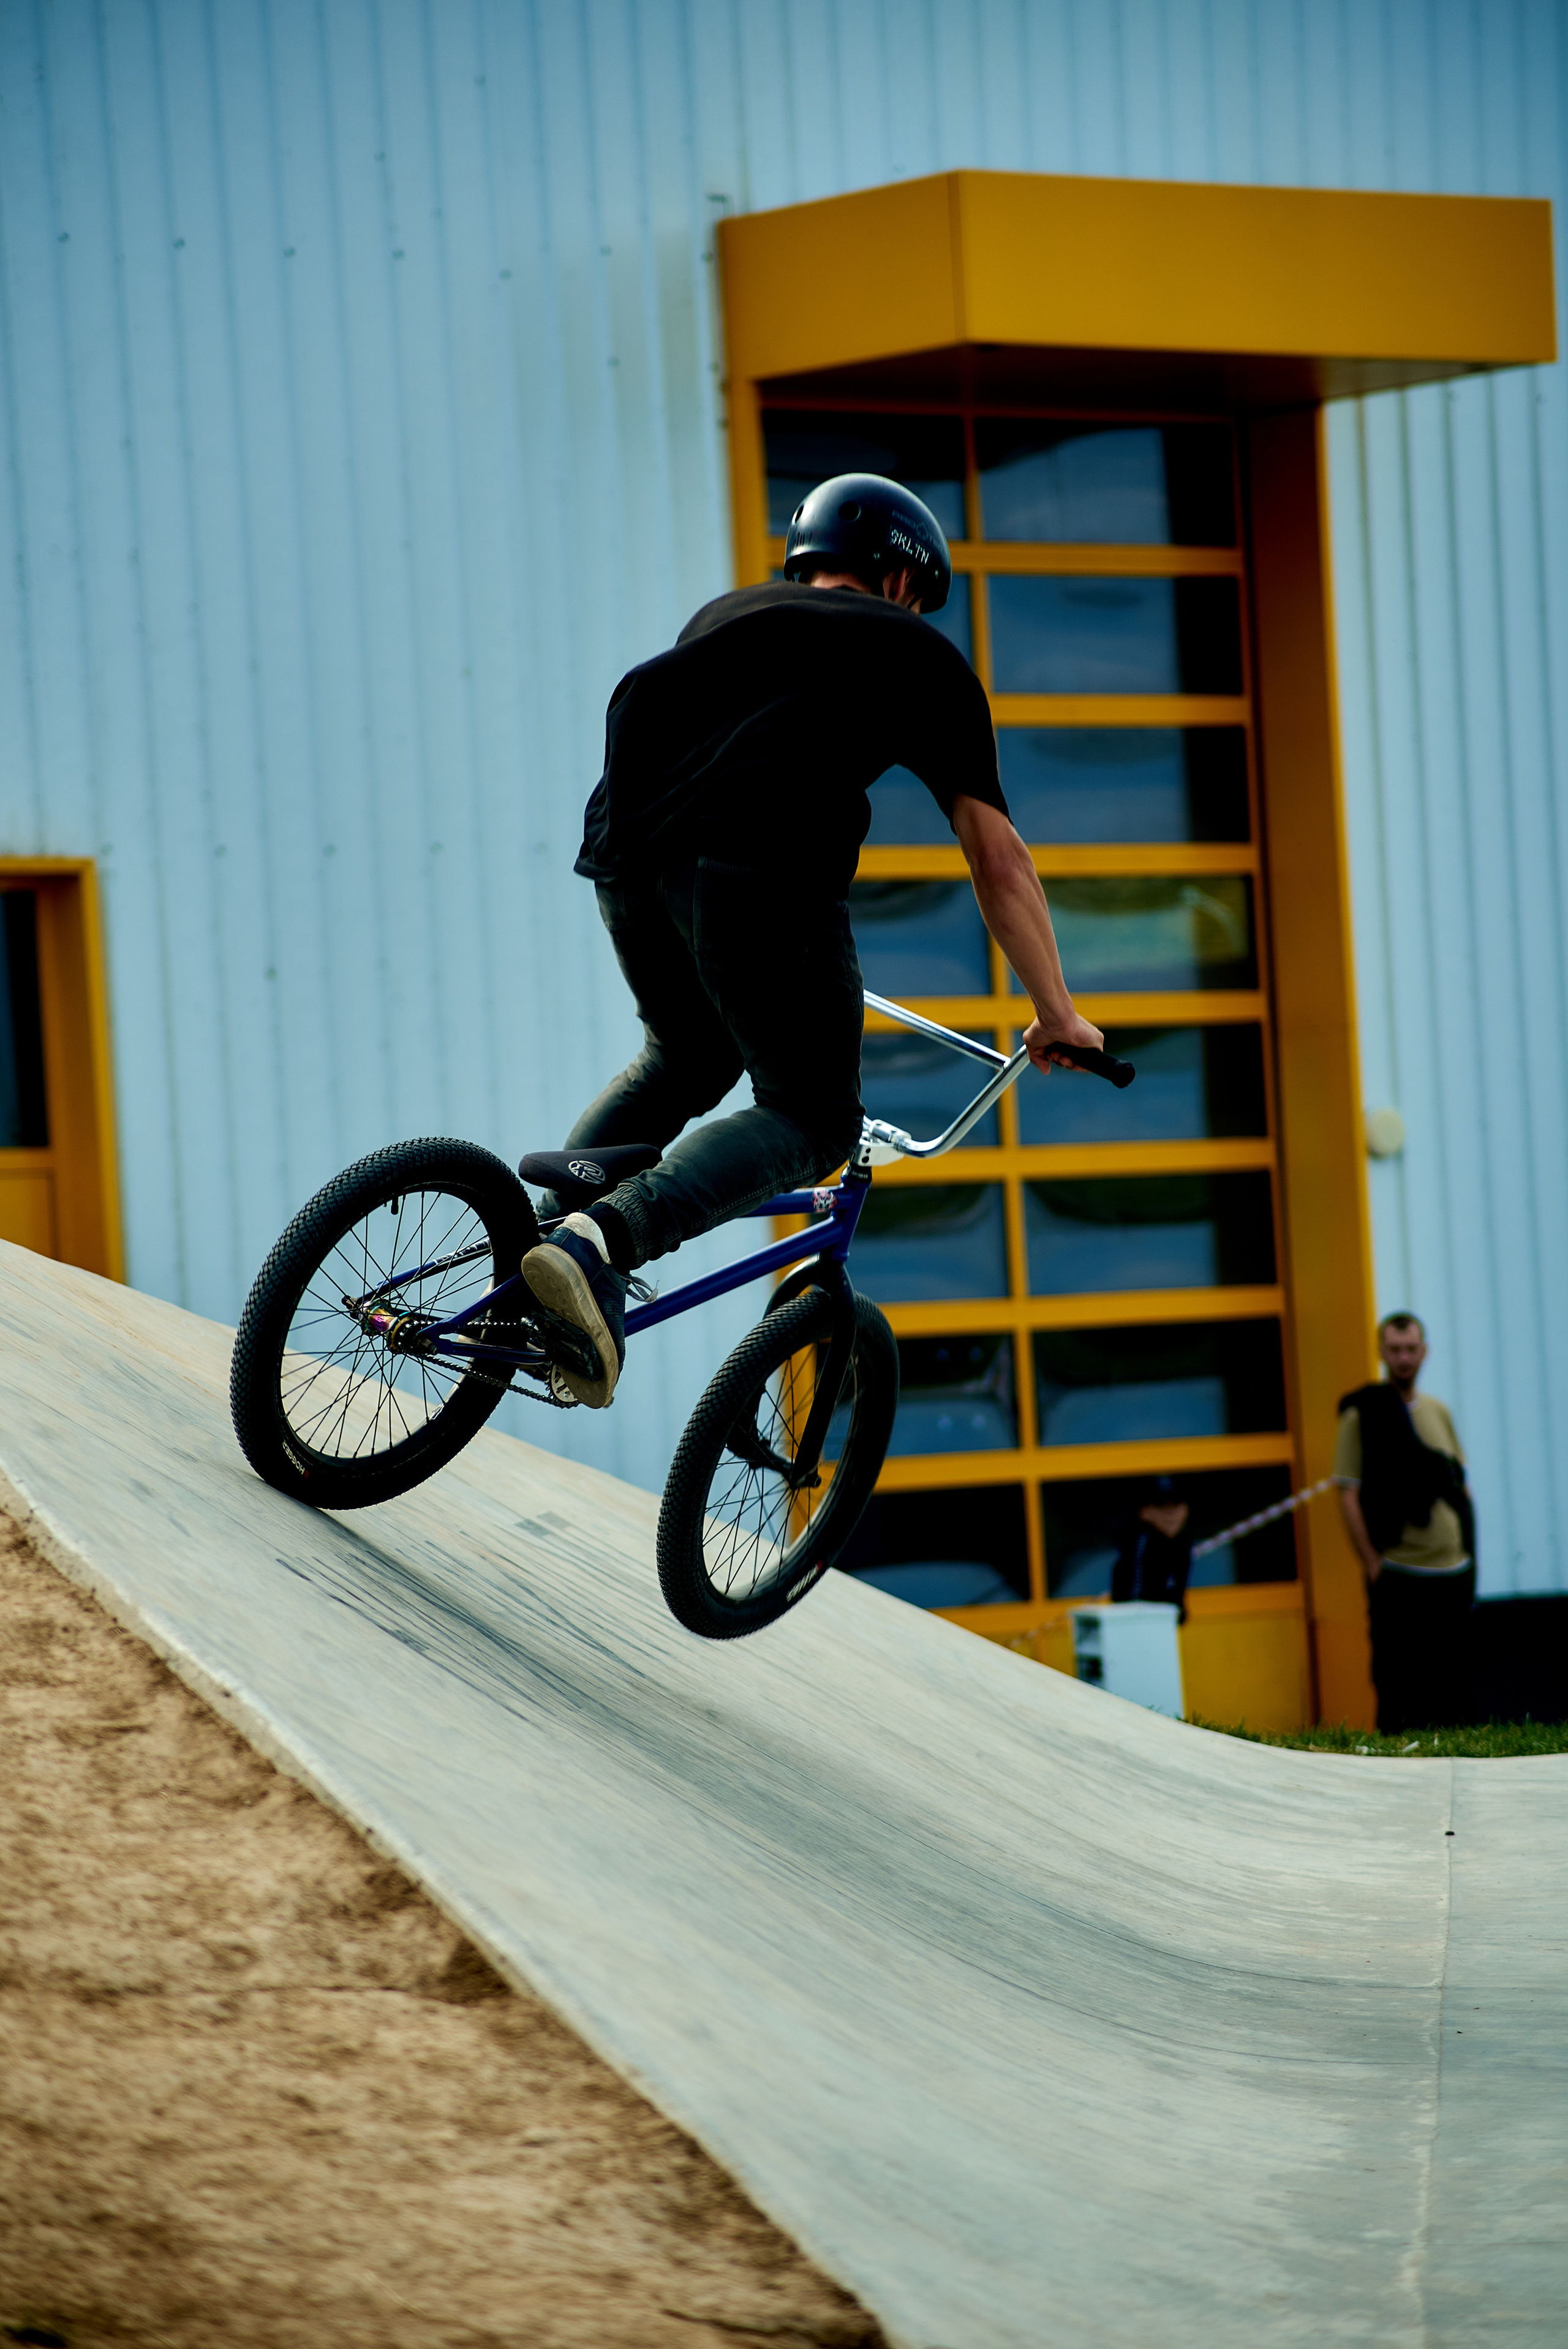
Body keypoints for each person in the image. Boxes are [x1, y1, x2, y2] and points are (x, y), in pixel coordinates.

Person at [521, 472, 1105, 1406]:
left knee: (687, 1057)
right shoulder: (919, 652)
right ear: (904, 581)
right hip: (759, 880)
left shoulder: (726, 614)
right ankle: (603, 1242)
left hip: (630, 869)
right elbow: (999, 862)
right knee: (814, 1115)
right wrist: (1057, 1013)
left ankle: (534, 1249)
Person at [1333, 1313, 1476, 1733]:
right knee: (1397, 1684)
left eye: (1411, 1349)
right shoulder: (1362, 1414)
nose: (1404, 1358)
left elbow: (1460, 1486)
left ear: (1424, 1352)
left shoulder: (1438, 1411)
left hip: (1452, 1571)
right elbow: (1348, 1494)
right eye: (1395, 1350)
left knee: (1453, 1681)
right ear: (1380, 1352)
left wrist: (1468, 1551)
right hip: (1399, 1573)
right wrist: (1372, 1563)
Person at [1112, 1476, 1194, 1623]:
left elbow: (1178, 1593)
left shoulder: (1183, 1543)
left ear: (1185, 1510)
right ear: (1145, 1512)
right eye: (1161, 1506)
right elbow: (1133, 1600)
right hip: (1137, 1626)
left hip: (1164, 1625)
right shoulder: (1139, 1543)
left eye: (1175, 1505)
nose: (1170, 1513)